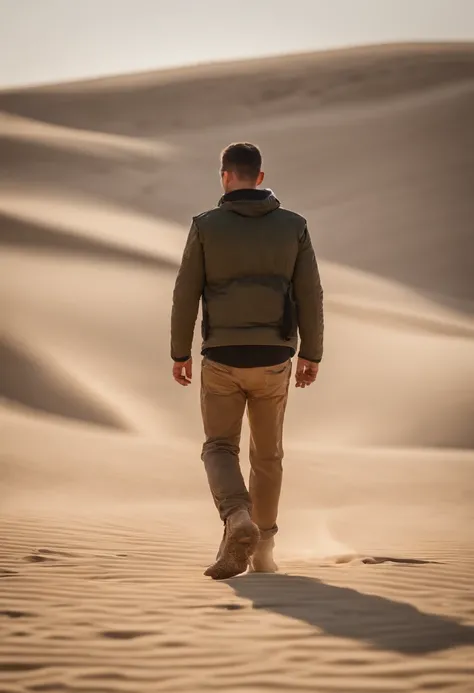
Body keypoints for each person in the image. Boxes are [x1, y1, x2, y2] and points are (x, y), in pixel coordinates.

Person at [170, 142, 324, 580]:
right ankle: (264, 549)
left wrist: (180, 352)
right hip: (275, 357)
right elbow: (310, 294)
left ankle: (238, 517)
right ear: (259, 177)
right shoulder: (294, 226)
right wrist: (312, 352)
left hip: (221, 356)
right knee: (268, 456)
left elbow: (186, 293)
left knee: (219, 446)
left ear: (225, 176)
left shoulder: (206, 226)